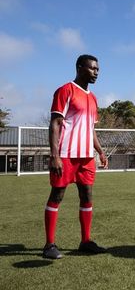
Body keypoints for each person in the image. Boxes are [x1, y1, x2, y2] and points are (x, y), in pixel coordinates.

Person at [43, 54, 108, 259]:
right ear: (80, 68)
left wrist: (99, 150)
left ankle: (85, 241)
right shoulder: (65, 90)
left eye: (97, 69)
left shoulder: (93, 97)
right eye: (92, 68)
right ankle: (49, 245)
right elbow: (55, 124)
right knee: (57, 196)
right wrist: (55, 156)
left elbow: (91, 129)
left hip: (86, 157)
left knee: (87, 196)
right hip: (66, 155)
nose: (96, 72)